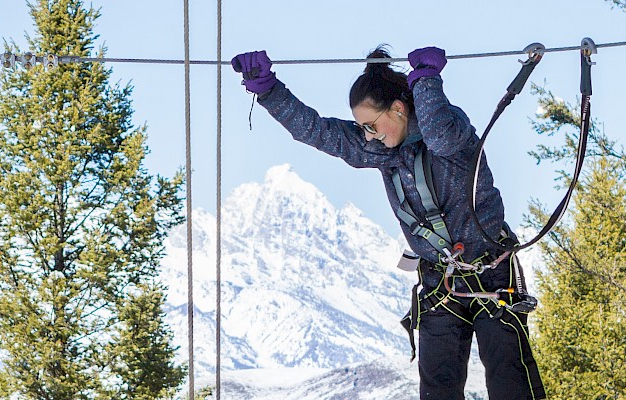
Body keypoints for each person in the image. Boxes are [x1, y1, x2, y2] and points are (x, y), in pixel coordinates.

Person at [232, 46, 546, 400]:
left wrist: (426, 82)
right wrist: (270, 92)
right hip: (440, 282)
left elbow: (437, 134)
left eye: (371, 125)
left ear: (398, 109)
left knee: (510, 381)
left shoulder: (452, 132)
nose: (367, 136)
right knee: (438, 389)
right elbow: (317, 131)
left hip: (491, 272)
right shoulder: (383, 149)